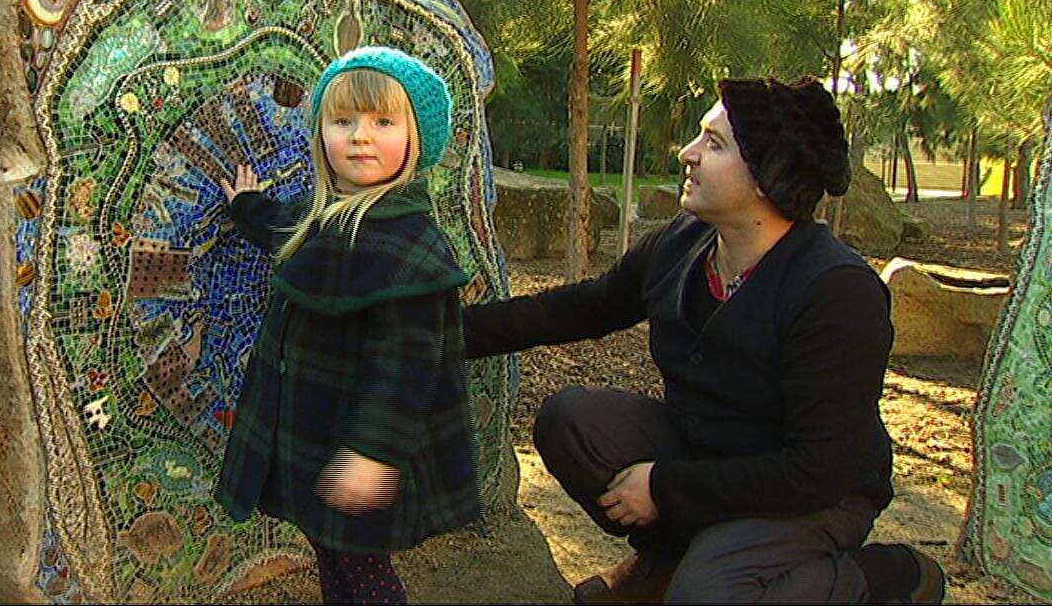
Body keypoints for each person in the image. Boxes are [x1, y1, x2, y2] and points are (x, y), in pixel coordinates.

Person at [464, 77, 947, 604]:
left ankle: (882, 579)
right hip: (710, 454)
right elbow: (584, 307)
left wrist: (663, 487)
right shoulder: (684, 243)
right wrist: (445, 333)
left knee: (710, 597)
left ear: (766, 177)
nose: (686, 153)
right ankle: (667, 563)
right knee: (574, 423)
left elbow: (819, 471)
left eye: (713, 144)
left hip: (810, 495)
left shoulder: (836, 292)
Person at [215, 46, 481, 605]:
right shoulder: (330, 214)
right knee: (331, 551)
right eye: (343, 121)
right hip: (319, 436)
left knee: (361, 570)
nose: (361, 135)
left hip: (356, 446)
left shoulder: (410, 247)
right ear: (322, 136)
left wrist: (372, 451)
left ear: (414, 140)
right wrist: (246, 207)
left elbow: (407, 367)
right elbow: (286, 230)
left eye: (383, 121)